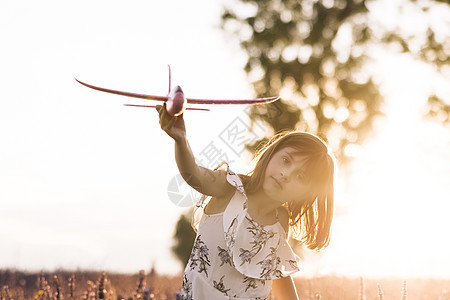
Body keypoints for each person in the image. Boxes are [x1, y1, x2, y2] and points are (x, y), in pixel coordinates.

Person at [156, 103, 336, 300]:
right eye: (286, 160)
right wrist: (181, 139)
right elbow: (194, 175)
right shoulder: (230, 187)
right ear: (272, 153)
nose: (286, 174)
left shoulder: (280, 221)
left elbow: (277, 274)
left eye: (300, 177)